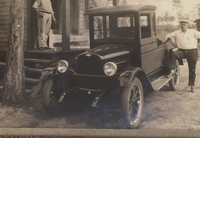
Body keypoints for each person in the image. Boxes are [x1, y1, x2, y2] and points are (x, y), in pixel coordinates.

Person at [163, 19, 200, 93]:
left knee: (192, 69)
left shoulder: (193, 32)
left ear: (187, 25)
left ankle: (192, 86)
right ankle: (172, 70)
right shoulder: (177, 33)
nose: (183, 26)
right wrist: (169, 38)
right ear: (180, 25)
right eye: (182, 24)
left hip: (192, 51)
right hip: (182, 51)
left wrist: (198, 47)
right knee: (173, 53)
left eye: (184, 24)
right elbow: (168, 35)